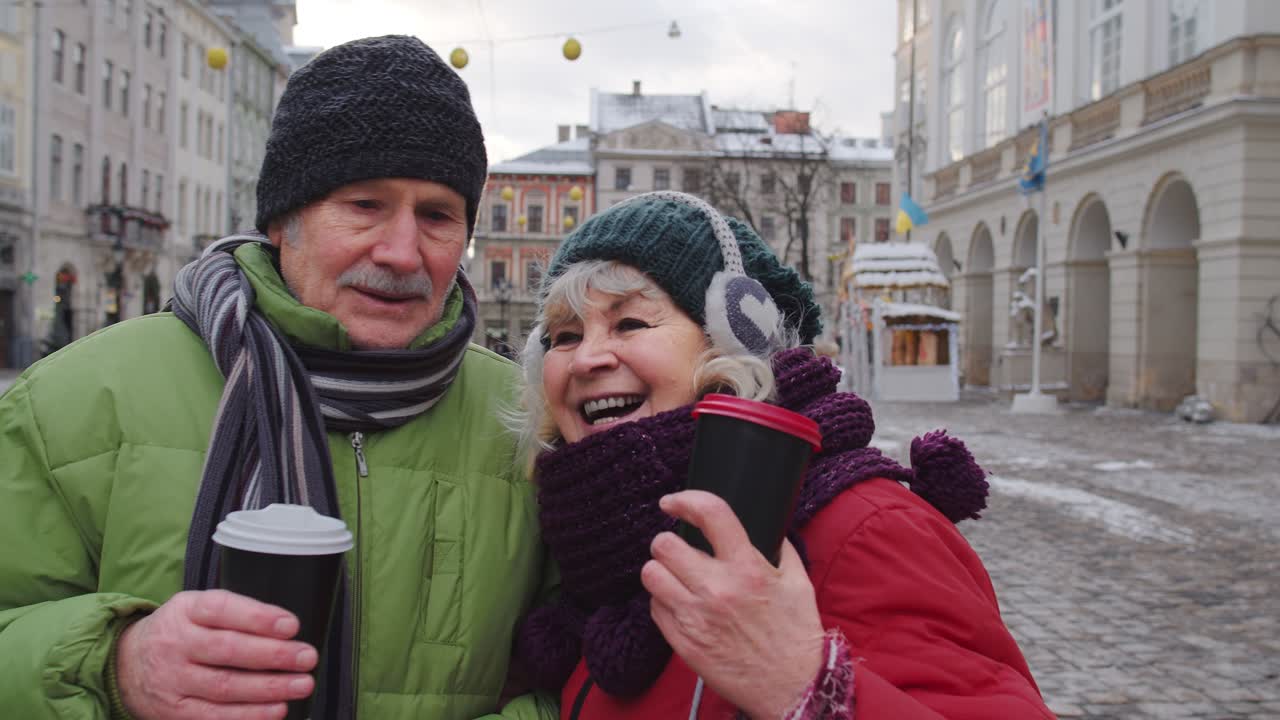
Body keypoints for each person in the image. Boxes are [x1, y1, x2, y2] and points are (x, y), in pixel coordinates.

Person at [0, 36, 555, 720]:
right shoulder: (75, 400)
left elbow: (585, 669)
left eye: (437, 215)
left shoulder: (530, 422)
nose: (402, 251)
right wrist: (115, 666)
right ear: (283, 222)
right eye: (364, 204)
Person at [509, 191, 1055, 719]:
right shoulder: (592, 547)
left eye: (630, 322)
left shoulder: (862, 527)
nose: (585, 359)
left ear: (734, 339)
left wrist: (804, 689)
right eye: (563, 336)